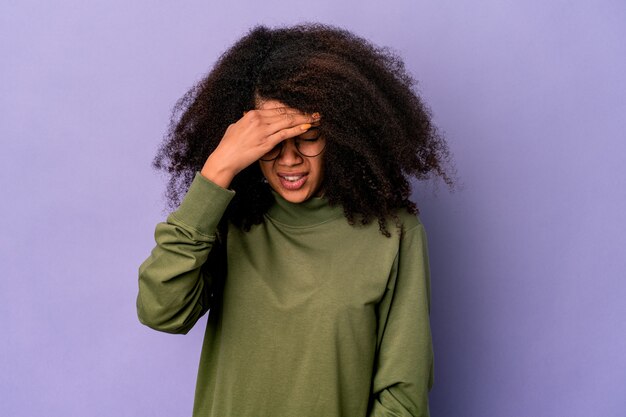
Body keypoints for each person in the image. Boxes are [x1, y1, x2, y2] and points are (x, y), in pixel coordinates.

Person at [137, 23, 453, 417]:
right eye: (269, 141)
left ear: (341, 132)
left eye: (307, 136)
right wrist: (216, 172)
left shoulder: (394, 232)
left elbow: (403, 396)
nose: (288, 160)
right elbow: (160, 311)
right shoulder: (228, 218)